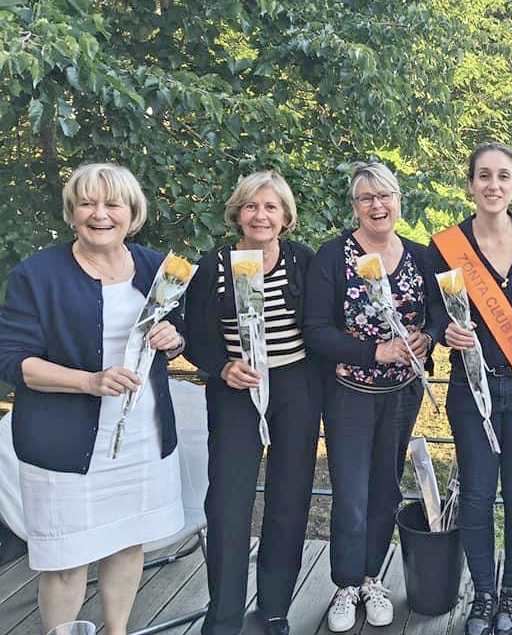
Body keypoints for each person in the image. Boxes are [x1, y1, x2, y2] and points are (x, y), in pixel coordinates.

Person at [0, 163, 185, 635]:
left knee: (127, 542)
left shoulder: (156, 267)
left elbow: (175, 334)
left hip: (141, 437)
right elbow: (13, 361)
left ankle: (117, 630)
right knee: (66, 559)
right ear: (72, 213)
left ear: (133, 213)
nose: (100, 214)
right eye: (87, 203)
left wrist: (174, 339)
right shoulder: (38, 274)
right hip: (64, 444)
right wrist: (89, 381)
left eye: (112, 204)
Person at [184, 171, 320, 635]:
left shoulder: (303, 261)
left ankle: (274, 608)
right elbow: (193, 336)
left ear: (286, 217)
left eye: (270, 207)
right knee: (228, 502)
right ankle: (223, 616)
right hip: (235, 392)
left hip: (296, 390)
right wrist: (222, 366)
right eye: (251, 206)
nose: (260, 215)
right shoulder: (214, 265)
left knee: (289, 497)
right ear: (237, 214)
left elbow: (320, 326)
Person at [302, 161, 435, 633]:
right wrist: (372, 351)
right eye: (366, 198)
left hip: (402, 394)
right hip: (350, 395)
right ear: (355, 206)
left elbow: (441, 314)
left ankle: (371, 578)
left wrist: (429, 337)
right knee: (351, 491)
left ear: (399, 200)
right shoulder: (332, 256)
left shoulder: (421, 255)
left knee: (385, 489)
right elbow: (315, 329)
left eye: (385, 196)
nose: (377, 205)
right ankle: (345, 584)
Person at [429, 143, 512, 635]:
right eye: (484, 175)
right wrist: (445, 332)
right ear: (470, 184)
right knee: (477, 495)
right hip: (472, 387)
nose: (493, 185)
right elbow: (434, 312)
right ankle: (483, 593)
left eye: (503, 175)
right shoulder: (447, 245)